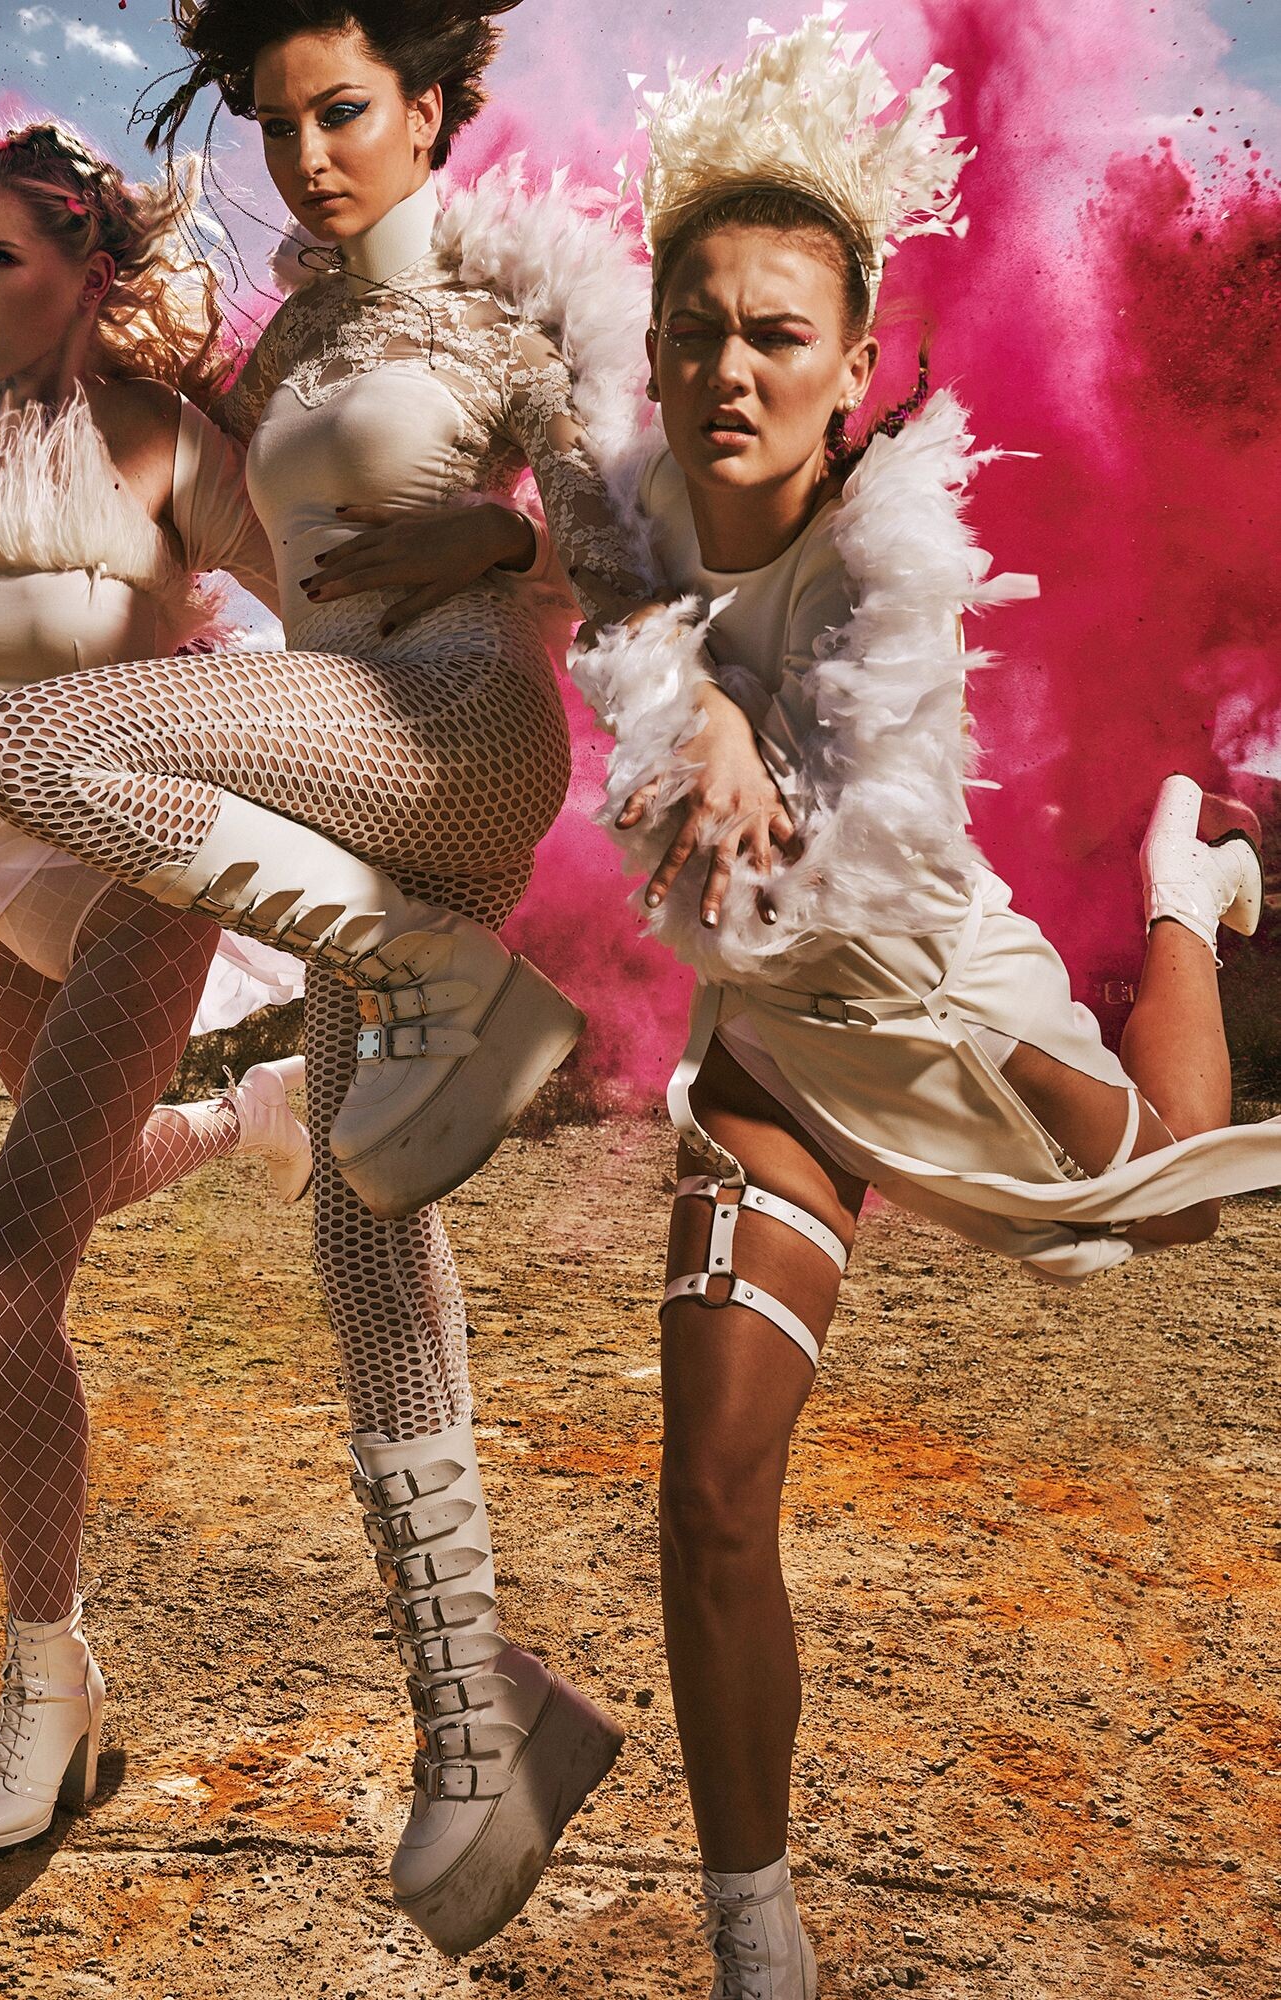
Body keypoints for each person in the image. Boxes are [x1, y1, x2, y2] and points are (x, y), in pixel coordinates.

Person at [570, 16, 1279, 1996]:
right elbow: (594, 572)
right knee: (712, 1489)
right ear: (656, 349)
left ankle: (1181, 891)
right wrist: (661, 672)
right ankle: (755, 1927)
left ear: (855, 363)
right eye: (696, 330)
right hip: (776, 1052)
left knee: (1164, 1208)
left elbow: (818, 835)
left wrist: (706, 712)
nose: (729, 367)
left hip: (936, 996)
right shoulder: (626, 499)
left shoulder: (895, 536)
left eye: (777, 335)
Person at [0, 2, 656, 1952]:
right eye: (275, 125)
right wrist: (176, 379)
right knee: (365, 1239)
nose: (308, 156)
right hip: (351, 763)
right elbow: (293, 577)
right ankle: (479, 1724)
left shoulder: (510, 298)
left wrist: (512, 540)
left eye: (343, 111)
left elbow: (616, 556)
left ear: (432, 106)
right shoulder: (286, 339)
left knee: (46, 747)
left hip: (460, 729)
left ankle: (435, 966)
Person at [0, 120, 529, 1861]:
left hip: (140, 848)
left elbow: (320, 622)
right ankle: (257, 1119)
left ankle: (47, 1685)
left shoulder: (172, 445)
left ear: (86, 268)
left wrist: (484, 579)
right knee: (91, 1172)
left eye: (0, 257)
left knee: (6, 1286)